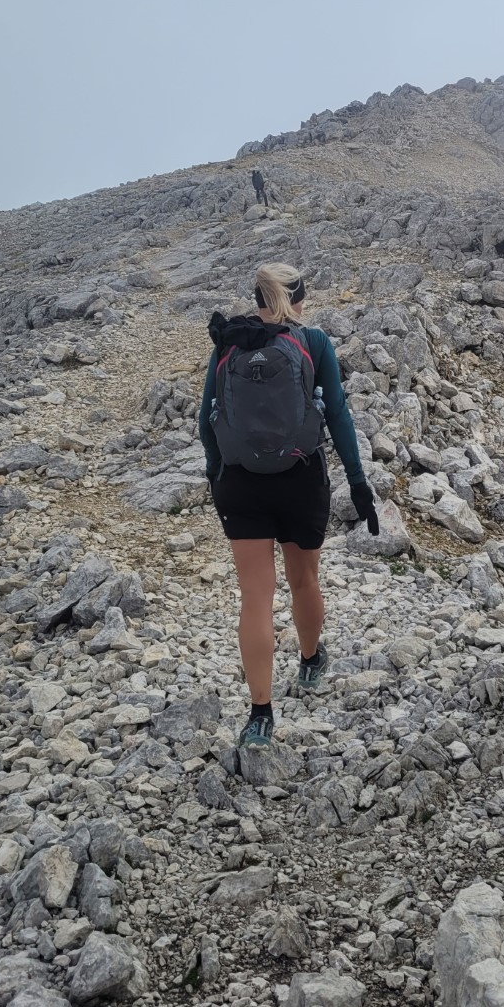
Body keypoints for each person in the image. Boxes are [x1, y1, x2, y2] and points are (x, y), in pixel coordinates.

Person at [198, 262, 380, 749]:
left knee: (256, 598)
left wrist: (218, 471)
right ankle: (309, 661)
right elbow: (338, 415)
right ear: (298, 299)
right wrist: (358, 482)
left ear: (256, 298)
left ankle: (260, 714)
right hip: (301, 479)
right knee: (304, 580)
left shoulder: (229, 340)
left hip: (241, 485)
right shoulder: (314, 341)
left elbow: (204, 421)